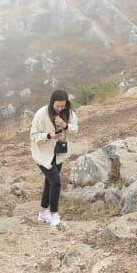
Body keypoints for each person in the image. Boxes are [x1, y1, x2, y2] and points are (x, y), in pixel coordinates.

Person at [30, 88, 79, 228]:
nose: (60, 108)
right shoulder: (41, 114)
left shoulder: (68, 113)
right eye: (57, 105)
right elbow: (33, 136)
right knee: (56, 182)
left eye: (63, 105)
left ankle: (42, 213)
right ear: (52, 102)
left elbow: (76, 129)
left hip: (59, 153)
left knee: (49, 182)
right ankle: (54, 215)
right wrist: (49, 135)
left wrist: (65, 125)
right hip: (42, 154)